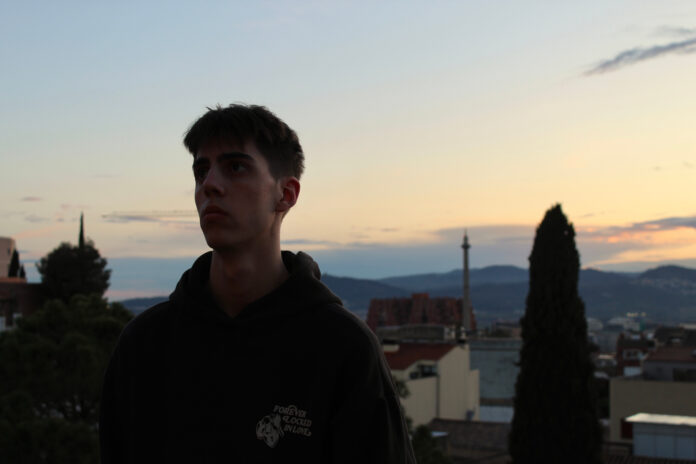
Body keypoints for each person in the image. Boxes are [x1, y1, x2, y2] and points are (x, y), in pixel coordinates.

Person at [99, 104, 416, 463]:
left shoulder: (343, 348)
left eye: (235, 167)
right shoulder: (145, 344)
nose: (210, 185)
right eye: (201, 171)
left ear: (286, 194)